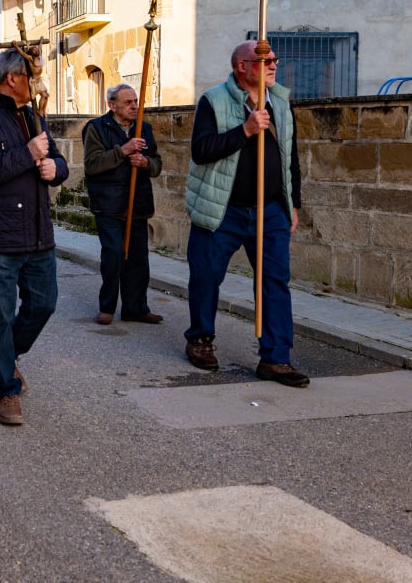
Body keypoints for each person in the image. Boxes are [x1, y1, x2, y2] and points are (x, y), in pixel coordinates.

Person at [185, 40, 307, 387]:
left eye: (274, 60)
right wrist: (245, 130)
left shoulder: (280, 102)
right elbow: (202, 151)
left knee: (274, 282)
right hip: (222, 209)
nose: (273, 66)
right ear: (242, 67)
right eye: (264, 60)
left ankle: (276, 357)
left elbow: (290, 157)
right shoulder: (214, 100)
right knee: (206, 277)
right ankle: (200, 339)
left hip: (270, 211)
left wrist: (292, 203)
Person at [0, 48, 68, 426]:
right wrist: (27, 153)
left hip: (37, 232)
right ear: (12, 80)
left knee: (45, 303)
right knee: (0, 315)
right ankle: (6, 390)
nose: (36, 84)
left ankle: (3, 352)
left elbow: (54, 158)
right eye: (31, 77)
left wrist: (57, 167)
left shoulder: (34, 116)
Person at [82, 84, 164, 326]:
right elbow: (93, 165)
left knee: (139, 259)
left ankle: (136, 308)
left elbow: (158, 163)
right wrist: (123, 150)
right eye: (128, 102)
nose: (134, 106)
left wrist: (145, 162)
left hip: (137, 204)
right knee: (115, 255)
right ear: (112, 105)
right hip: (108, 204)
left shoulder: (144, 128)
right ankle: (107, 306)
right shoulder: (96, 128)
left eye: (135, 101)